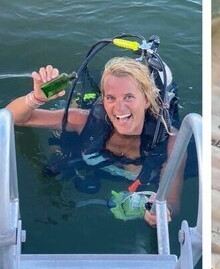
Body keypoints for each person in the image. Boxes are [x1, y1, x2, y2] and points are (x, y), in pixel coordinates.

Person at [6, 57, 184, 227]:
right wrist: (36, 99)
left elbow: (172, 201)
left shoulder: (170, 141)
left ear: (146, 100)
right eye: (111, 98)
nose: (119, 108)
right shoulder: (83, 121)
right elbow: (12, 118)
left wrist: (160, 211)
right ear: (103, 100)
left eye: (129, 97)